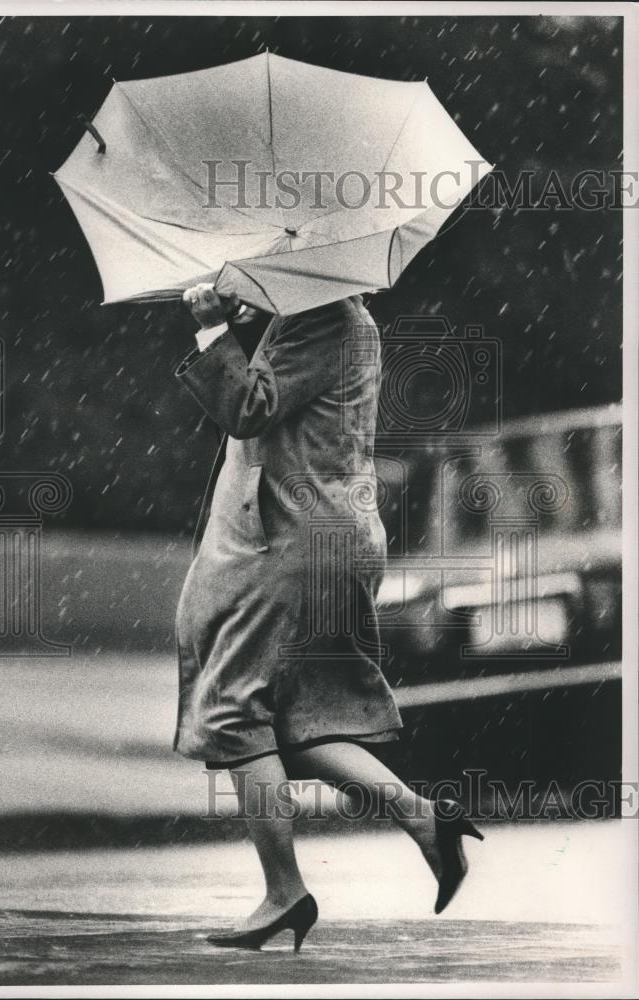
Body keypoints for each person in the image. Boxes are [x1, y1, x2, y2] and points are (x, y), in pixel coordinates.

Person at [173, 283, 483, 952]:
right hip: (320, 537)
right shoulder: (334, 317)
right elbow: (286, 405)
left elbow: (247, 408)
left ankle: (284, 893)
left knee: (232, 713)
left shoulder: (319, 320)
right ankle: (427, 820)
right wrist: (254, 327)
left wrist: (209, 329)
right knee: (293, 724)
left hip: (291, 545)